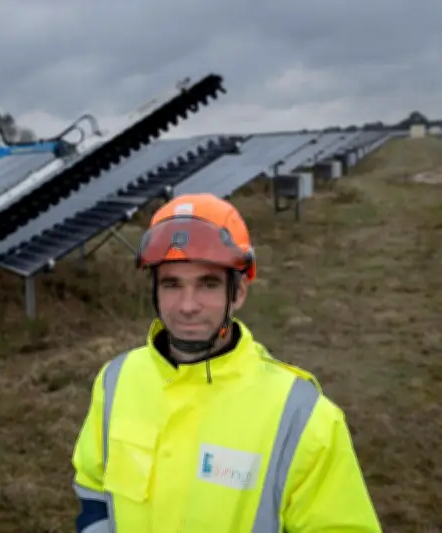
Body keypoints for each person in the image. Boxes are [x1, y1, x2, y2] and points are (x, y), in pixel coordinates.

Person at [71, 193, 381, 532]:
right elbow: (93, 489)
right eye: (172, 284)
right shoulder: (116, 380)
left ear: (239, 293)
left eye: (207, 284)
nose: (187, 305)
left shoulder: (303, 416)